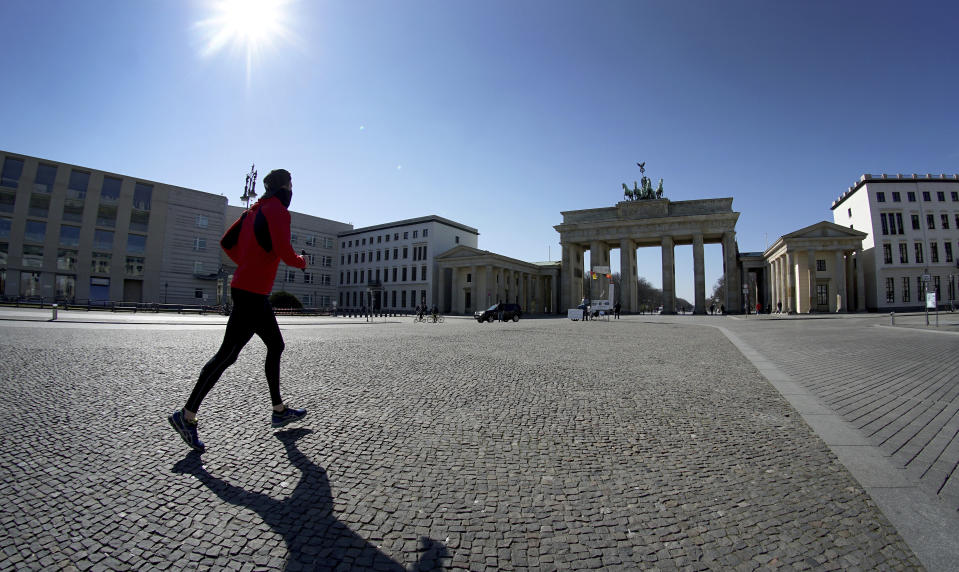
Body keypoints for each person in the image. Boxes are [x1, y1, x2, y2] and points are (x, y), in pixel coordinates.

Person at [168, 169, 308, 453]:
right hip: (253, 293)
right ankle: (186, 415)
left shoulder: (251, 212)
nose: (292, 190)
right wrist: (301, 261)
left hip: (247, 289)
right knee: (228, 355)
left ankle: (279, 409)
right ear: (284, 187)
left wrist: (246, 261)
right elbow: (284, 251)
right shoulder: (278, 211)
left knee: (267, 347)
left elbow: (226, 243)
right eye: (291, 184)